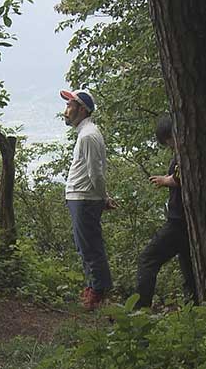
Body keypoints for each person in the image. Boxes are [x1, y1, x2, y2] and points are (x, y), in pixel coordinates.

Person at [61, 88, 117, 310]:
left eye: (69, 106)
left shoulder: (89, 136)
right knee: (84, 246)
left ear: (82, 109)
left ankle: (98, 292)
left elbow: (96, 172)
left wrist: (102, 197)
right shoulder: (86, 134)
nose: (66, 111)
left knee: (90, 247)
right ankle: (94, 288)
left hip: (84, 198)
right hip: (81, 197)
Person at [134, 115, 197, 309]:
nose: (169, 145)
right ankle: (194, 307)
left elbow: (183, 176)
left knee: (148, 259)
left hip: (178, 222)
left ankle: (139, 309)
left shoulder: (184, 152)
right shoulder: (184, 150)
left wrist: (166, 180)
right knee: (189, 269)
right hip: (189, 222)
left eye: (168, 141)